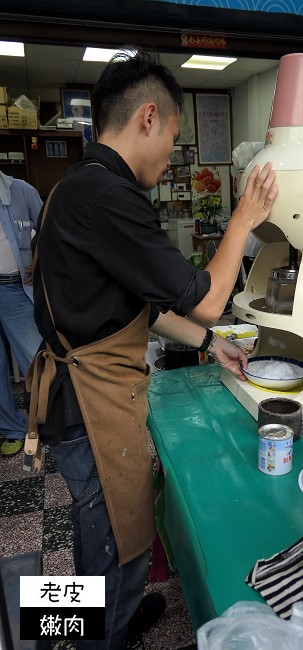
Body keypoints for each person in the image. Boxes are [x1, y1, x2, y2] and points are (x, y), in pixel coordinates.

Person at [27, 49, 278, 649]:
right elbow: (207, 298)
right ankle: (89, 635)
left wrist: (210, 342)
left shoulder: (81, 188)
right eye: (172, 135)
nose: (171, 156)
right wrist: (243, 219)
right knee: (114, 545)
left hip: (78, 396)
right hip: (89, 407)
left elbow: (149, 308)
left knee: (101, 537)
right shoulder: (108, 199)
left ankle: (94, 617)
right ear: (146, 118)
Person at [0, 171, 43, 456]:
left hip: (16, 290)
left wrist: (38, 262)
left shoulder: (22, 191)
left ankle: (51, 422)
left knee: (35, 362)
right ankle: (12, 427)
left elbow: (50, 232)